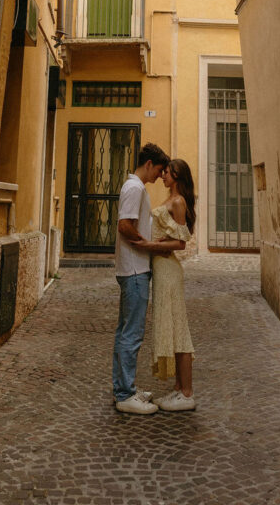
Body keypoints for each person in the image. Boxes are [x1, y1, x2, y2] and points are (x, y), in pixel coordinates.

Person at [112, 142, 170, 414]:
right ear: (149, 164)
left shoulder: (134, 187)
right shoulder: (135, 188)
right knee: (131, 333)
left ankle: (126, 388)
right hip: (135, 269)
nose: (160, 175)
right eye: (159, 170)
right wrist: (146, 243)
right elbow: (125, 225)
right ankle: (125, 395)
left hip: (133, 269)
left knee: (126, 331)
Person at [150, 158, 197, 412]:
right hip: (162, 269)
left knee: (179, 329)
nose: (163, 175)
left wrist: (151, 246)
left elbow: (180, 244)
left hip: (169, 269)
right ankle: (179, 388)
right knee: (173, 327)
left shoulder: (178, 202)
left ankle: (187, 393)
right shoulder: (172, 199)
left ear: (176, 175)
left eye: (166, 172)